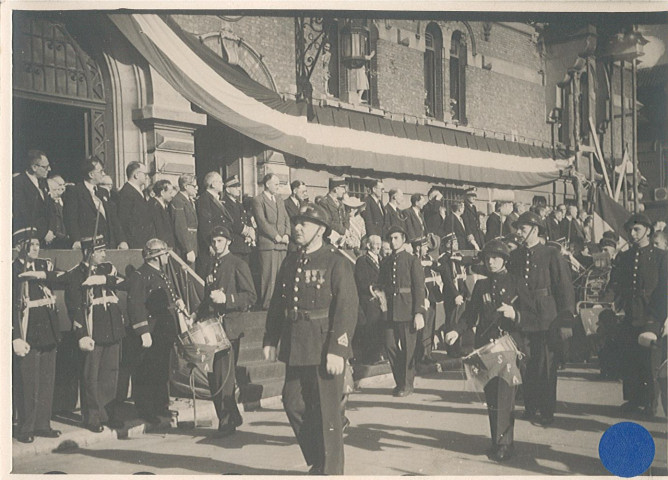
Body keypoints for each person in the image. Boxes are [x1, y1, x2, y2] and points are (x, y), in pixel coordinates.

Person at [263, 204, 358, 475]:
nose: (297, 228)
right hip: (296, 343)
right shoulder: (291, 260)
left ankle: (331, 471)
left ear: (321, 230)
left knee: (328, 413)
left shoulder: (336, 261)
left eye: (304, 223)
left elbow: (346, 307)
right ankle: (318, 458)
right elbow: (277, 302)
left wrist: (338, 349)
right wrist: (271, 337)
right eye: (296, 223)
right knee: (292, 402)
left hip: (323, 345)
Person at [444, 239, 537, 462]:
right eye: (487, 258)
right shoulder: (481, 285)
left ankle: (505, 443)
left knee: (505, 396)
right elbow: (470, 314)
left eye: (495, 257)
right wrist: (456, 330)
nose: (491, 262)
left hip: (508, 348)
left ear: (505, 259)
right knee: (492, 398)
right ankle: (497, 441)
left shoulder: (517, 282)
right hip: (486, 349)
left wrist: (515, 315)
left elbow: (532, 315)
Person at [508, 211, 575, 425]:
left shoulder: (551, 254)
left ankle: (546, 411)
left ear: (535, 230)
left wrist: (565, 321)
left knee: (546, 365)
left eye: (523, 229)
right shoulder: (516, 256)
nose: (518, 233)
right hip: (523, 317)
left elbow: (564, 288)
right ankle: (530, 407)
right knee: (526, 363)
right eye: (517, 229)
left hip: (547, 318)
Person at [56, 235, 125, 432]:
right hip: (93, 330)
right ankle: (92, 417)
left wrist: (105, 279)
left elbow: (124, 283)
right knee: (91, 376)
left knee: (110, 374)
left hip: (111, 328)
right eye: (100, 251)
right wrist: (82, 334)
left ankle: (108, 413)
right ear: (88, 253)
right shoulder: (77, 274)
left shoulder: (107, 269)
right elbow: (75, 307)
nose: (104, 254)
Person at [194, 226, 257, 437]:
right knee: (214, 376)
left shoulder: (237, 264)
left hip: (230, 327)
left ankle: (227, 421)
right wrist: (195, 315)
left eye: (220, 241)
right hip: (213, 327)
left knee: (225, 376)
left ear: (228, 242)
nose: (216, 245)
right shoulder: (212, 265)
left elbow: (250, 296)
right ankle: (230, 414)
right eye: (213, 241)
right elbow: (207, 298)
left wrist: (227, 299)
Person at [609, 213, 667, 416]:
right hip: (629, 314)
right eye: (630, 230)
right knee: (630, 359)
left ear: (648, 231)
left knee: (650, 361)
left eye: (637, 230)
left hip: (651, 315)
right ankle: (634, 400)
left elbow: (663, 290)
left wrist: (656, 319)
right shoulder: (624, 257)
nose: (632, 234)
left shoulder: (660, 257)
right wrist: (618, 305)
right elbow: (618, 284)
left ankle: (650, 403)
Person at [12, 227, 62, 444]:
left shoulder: (43, 265)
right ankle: (26, 427)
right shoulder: (12, 269)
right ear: (20, 247)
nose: (36, 248)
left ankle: (43, 424)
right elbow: (11, 305)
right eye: (31, 244)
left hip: (48, 329)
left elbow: (61, 278)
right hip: (29, 329)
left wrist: (42, 275)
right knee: (27, 382)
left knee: (46, 380)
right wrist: (15, 335)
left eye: (37, 244)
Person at [126, 238, 184, 424]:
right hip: (150, 332)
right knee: (146, 371)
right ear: (156, 257)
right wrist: (143, 331)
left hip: (163, 332)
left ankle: (160, 406)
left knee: (161, 370)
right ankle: (145, 409)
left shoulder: (161, 273)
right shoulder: (141, 275)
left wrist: (176, 303)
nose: (167, 256)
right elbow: (135, 305)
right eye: (164, 253)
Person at [377, 225, 426, 397]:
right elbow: (381, 284)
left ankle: (407, 384)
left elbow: (419, 287)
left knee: (408, 349)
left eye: (396, 238)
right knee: (390, 345)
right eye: (390, 238)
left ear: (403, 240)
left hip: (407, 309)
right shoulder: (386, 262)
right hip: (390, 311)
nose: (392, 241)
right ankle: (400, 381)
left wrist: (419, 312)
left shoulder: (412, 260)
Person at [63, 158, 128, 250]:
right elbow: (71, 218)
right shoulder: (75, 191)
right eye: (101, 171)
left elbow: (113, 218)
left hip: (108, 245)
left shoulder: (103, 192)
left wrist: (122, 240)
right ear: (91, 174)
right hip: (88, 245)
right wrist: (76, 240)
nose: (103, 174)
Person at [251, 173, 291, 309]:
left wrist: (287, 234)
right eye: (276, 184)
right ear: (267, 184)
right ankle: (267, 305)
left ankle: (279, 303)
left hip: (282, 244)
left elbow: (286, 218)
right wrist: (275, 235)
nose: (278, 187)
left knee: (281, 276)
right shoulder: (258, 200)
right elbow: (261, 222)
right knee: (269, 277)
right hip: (269, 244)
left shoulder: (279, 199)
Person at [354, 234, 386, 364]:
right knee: (371, 327)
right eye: (376, 243)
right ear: (368, 245)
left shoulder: (381, 260)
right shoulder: (362, 260)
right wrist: (373, 289)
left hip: (382, 298)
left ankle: (379, 354)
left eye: (379, 243)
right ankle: (371, 356)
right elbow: (361, 280)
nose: (378, 246)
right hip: (370, 299)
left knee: (381, 326)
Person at [13, 150, 53, 245]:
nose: (49, 169)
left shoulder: (43, 183)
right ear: (34, 167)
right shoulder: (19, 182)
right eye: (45, 167)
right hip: (30, 237)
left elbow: (50, 209)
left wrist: (51, 230)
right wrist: (44, 233)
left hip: (48, 237)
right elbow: (24, 211)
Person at [414, 236, 441, 365]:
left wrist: (431, 263)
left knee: (431, 327)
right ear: (418, 248)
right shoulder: (414, 260)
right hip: (423, 298)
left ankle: (428, 353)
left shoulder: (428, 259)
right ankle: (422, 355)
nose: (427, 249)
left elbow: (438, 267)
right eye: (424, 247)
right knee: (423, 329)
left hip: (432, 296)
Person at [117, 161, 155, 249]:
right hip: (135, 243)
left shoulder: (137, 192)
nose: (147, 177)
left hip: (143, 242)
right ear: (136, 175)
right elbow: (124, 220)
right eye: (145, 174)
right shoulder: (127, 192)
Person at [197, 171, 227, 275]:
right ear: (213, 184)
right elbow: (205, 224)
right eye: (220, 182)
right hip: (212, 245)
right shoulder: (205, 199)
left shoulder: (215, 199)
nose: (222, 184)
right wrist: (210, 243)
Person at [222, 175, 255, 264]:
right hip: (234, 245)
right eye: (235, 187)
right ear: (228, 189)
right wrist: (248, 232)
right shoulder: (225, 204)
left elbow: (246, 220)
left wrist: (250, 235)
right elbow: (233, 222)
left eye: (239, 187)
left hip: (244, 245)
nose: (239, 189)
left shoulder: (238, 204)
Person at [170, 174, 199, 264]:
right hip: (185, 247)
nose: (197, 188)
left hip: (192, 243)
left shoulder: (188, 201)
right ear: (186, 186)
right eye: (194, 186)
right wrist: (188, 249)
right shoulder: (178, 201)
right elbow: (180, 227)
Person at [149, 180, 177, 248]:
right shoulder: (153, 206)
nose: (172, 195)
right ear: (162, 192)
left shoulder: (163, 206)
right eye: (170, 193)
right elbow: (159, 231)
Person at [46, 175, 71, 249]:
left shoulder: (66, 201)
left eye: (64, 185)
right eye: (60, 185)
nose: (62, 188)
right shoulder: (49, 204)